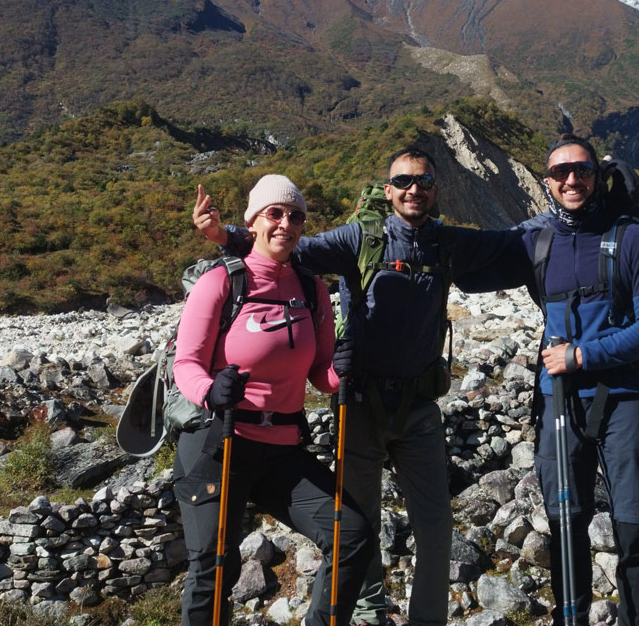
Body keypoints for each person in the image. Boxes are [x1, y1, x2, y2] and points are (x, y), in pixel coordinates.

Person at [194, 149, 523, 626]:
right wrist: (225, 236)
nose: (415, 188)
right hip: (360, 402)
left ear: (435, 189)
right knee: (358, 523)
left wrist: (564, 225)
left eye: (425, 180)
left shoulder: (447, 243)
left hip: (419, 408)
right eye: (404, 181)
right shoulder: (360, 237)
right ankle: (366, 613)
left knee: (436, 529)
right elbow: (289, 245)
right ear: (387, 190)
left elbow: (504, 245)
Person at [173, 174, 372, 626]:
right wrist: (210, 392)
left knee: (352, 536)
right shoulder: (221, 283)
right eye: (275, 213)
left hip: (279, 445)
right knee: (213, 566)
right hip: (217, 441)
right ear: (254, 221)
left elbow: (320, 375)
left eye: (296, 216)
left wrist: (339, 370)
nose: (286, 223)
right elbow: (186, 363)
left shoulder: (312, 289)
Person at [526, 135, 639, 626]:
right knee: (565, 529)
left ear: (597, 174)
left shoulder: (630, 237)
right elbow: (461, 259)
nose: (571, 180)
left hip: (623, 401)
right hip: (558, 403)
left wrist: (582, 355)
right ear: (547, 181)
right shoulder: (536, 240)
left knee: (635, 530)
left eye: (581, 171)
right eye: (560, 173)